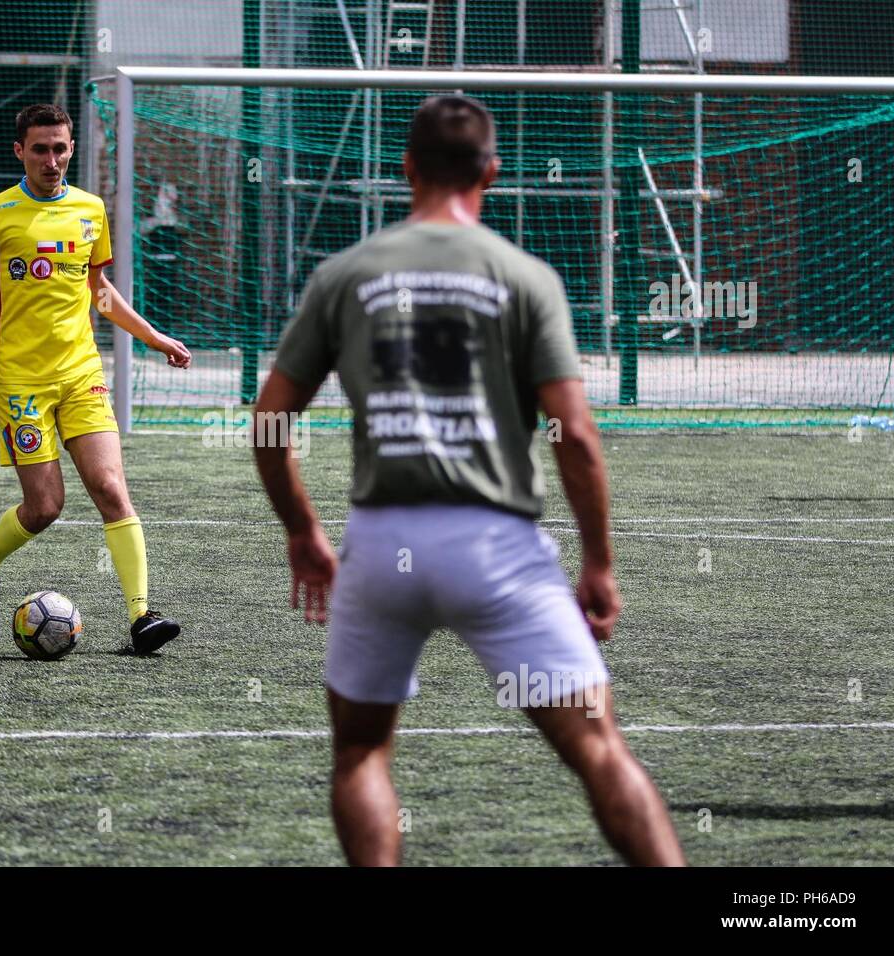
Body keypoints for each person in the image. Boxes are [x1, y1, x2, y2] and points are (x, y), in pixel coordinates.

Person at [253, 95, 686, 866]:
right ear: (491, 170)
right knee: (598, 749)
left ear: (407, 167)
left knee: (360, 753)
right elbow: (575, 436)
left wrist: (301, 532)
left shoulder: (345, 274)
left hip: (381, 547)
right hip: (496, 548)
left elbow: (270, 422)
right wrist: (598, 563)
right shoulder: (525, 277)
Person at [0, 103, 190, 655]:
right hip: (20, 383)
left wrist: (154, 337)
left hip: (82, 374)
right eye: (40, 149)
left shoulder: (90, 209)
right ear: (20, 152)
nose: (51, 160)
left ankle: (141, 616)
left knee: (111, 490)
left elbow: (98, 290)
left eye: (60, 148)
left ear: (72, 149)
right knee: (45, 508)